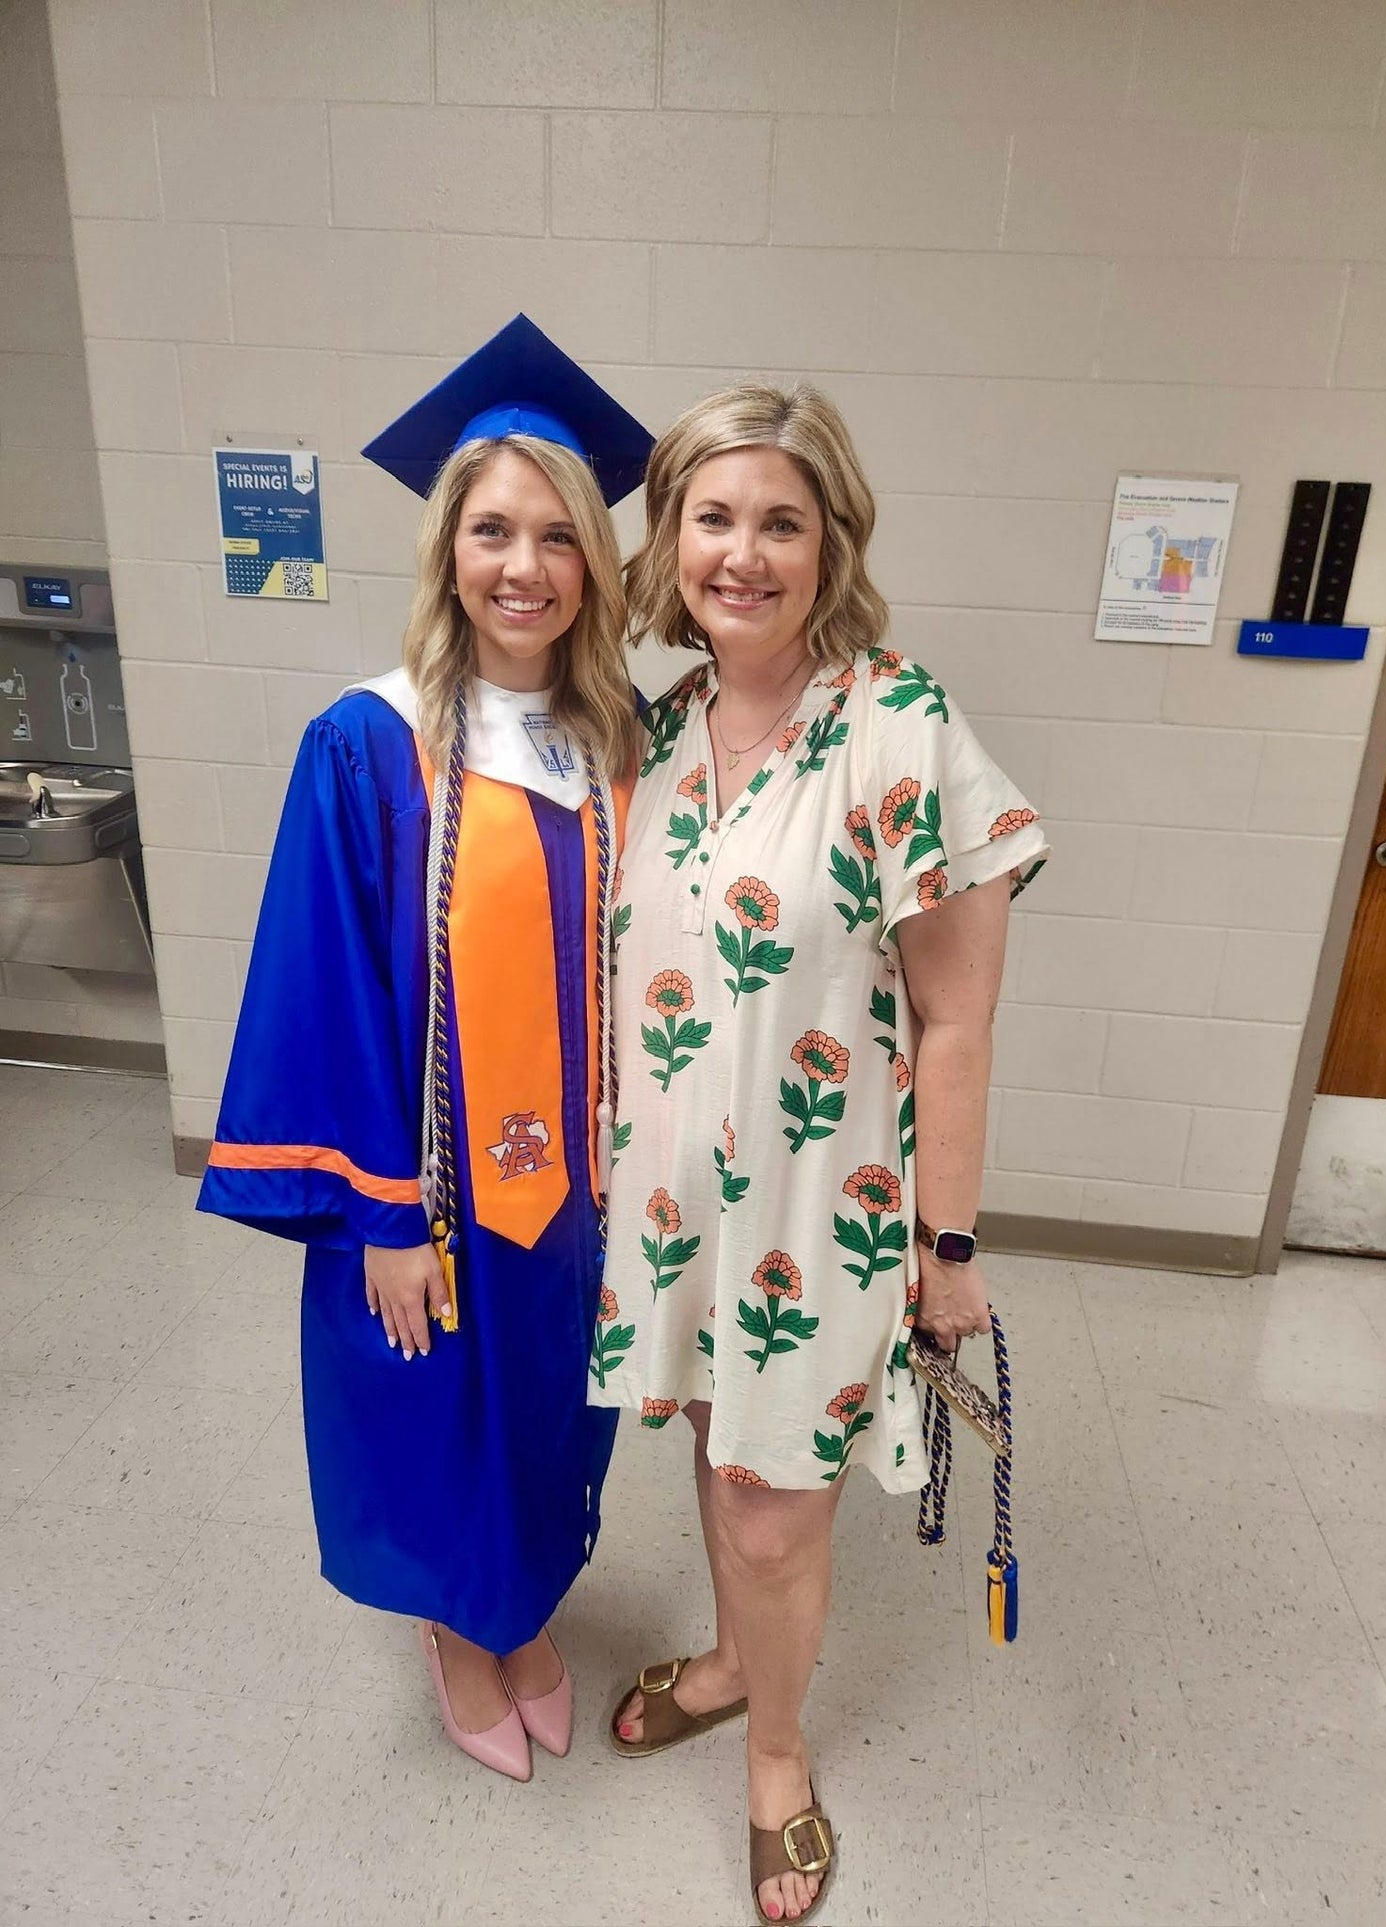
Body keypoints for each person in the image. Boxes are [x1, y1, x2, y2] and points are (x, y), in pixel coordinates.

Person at [594, 382, 1048, 1922]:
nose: (742, 552)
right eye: (711, 517)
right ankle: (728, 1663)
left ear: (829, 541)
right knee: (718, 1463)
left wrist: (948, 1251)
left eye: (779, 520)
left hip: (821, 1210)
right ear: (669, 541)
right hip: (672, 1207)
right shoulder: (649, 731)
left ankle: (775, 1752)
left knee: (775, 1503)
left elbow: (955, 1025)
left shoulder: (898, 728)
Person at [197, 315, 652, 1783]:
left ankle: (519, 1615)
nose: (522, 567)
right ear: (446, 549)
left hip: (574, 1195)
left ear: (594, 561)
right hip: (436, 1197)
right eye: (491, 531)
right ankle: (459, 1631)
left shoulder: (619, 742)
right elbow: (323, 993)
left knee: (547, 1412)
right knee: (433, 1412)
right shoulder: (372, 743)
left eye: (555, 538)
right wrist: (385, 1211)